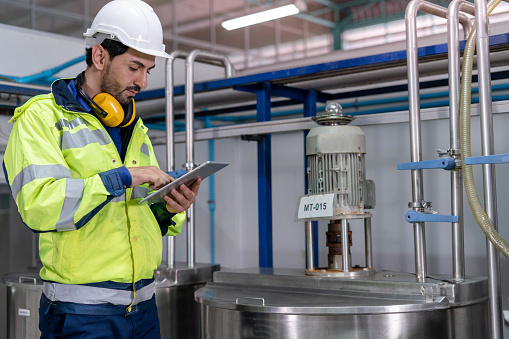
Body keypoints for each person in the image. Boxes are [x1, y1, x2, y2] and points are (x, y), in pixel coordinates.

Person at [3, 0, 200, 337]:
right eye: (134, 67)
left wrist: (169, 208)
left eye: (148, 70)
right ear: (99, 56)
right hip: (82, 312)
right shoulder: (43, 118)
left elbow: (133, 215)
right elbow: (39, 205)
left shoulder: (133, 126)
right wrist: (122, 177)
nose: (143, 81)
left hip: (143, 306)